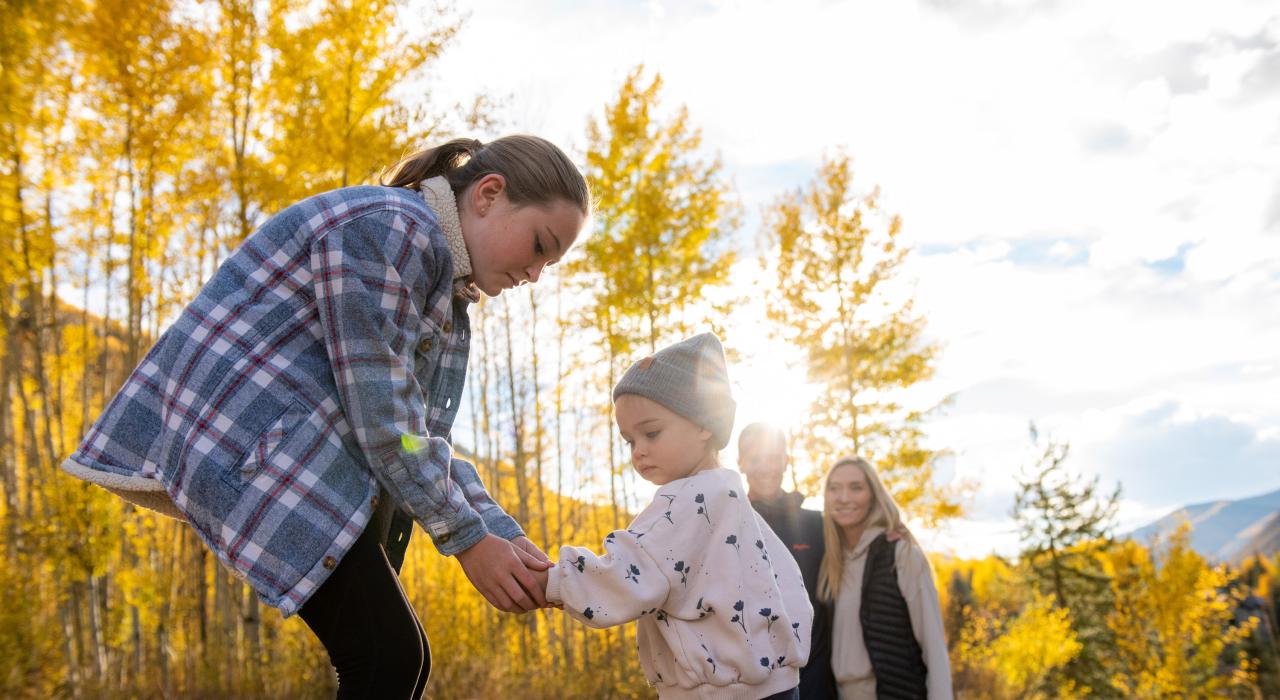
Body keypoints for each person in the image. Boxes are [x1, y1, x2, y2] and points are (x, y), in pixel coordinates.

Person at [60, 135, 590, 698]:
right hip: (248, 441)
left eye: (549, 263)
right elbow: (386, 420)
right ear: (488, 194)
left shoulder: (443, 289)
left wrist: (498, 534)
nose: (536, 273)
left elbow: (422, 438)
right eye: (539, 245)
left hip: (297, 450)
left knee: (392, 658)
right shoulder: (391, 228)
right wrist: (466, 538)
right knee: (386, 656)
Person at [539, 333, 813, 699]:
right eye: (630, 441)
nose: (639, 451)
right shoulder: (731, 498)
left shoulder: (690, 501)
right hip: (774, 686)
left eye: (651, 433)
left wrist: (552, 581)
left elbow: (631, 573)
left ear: (704, 423)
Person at [818, 457, 952, 699]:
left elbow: (934, 647)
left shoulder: (901, 554)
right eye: (834, 488)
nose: (844, 498)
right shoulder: (831, 561)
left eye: (856, 488)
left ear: (873, 495)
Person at [738, 423, 834, 698]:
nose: (765, 467)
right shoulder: (730, 524)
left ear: (786, 461)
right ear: (741, 464)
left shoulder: (816, 524)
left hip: (816, 680)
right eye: (755, 459)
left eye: (772, 458)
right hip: (754, 684)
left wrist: (889, 530)